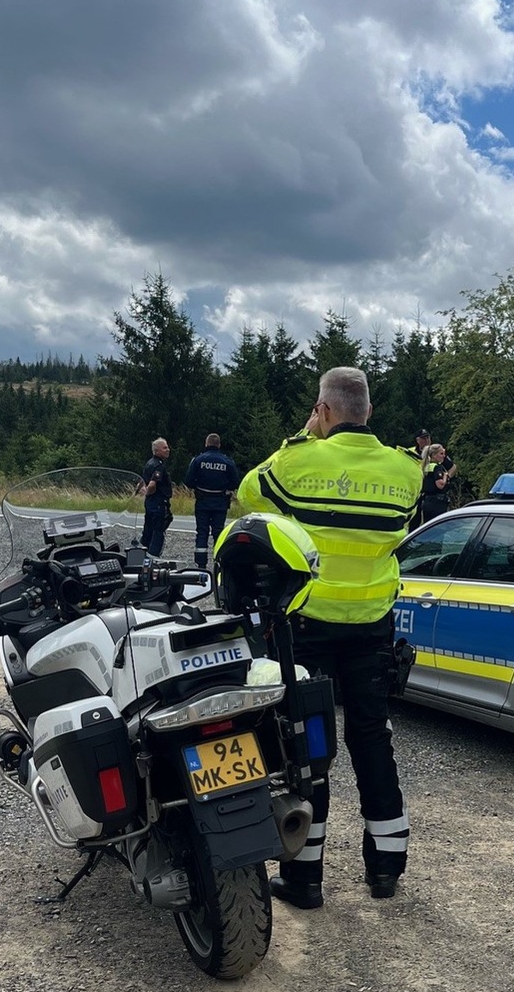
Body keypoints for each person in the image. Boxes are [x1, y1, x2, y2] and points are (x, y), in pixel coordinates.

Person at [238, 367, 423, 907]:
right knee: (372, 738)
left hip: (307, 628)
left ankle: (305, 878)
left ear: (322, 411)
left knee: (307, 747)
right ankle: (386, 868)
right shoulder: (405, 470)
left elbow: (250, 495)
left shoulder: (296, 460)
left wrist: (301, 438)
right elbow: (403, 523)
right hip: (372, 627)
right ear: (369, 411)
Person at [184, 433, 240, 569]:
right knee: (218, 532)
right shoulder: (227, 461)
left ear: (206, 444)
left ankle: (201, 564)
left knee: (202, 532)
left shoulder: (198, 460)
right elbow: (235, 482)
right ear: (219, 445)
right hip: (220, 502)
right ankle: (218, 562)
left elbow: (188, 481)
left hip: (202, 501)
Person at [137, 436, 173, 556]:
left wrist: (140, 491)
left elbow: (142, 481)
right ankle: (153, 557)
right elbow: (152, 484)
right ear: (157, 451)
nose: (168, 449)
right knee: (158, 531)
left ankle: (141, 553)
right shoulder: (159, 466)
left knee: (148, 529)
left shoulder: (149, 463)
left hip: (150, 503)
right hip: (158, 503)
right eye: (164, 448)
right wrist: (148, 491)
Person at [418, 443, 452, 525]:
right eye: (441, 453)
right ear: (433, 455)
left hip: (426, 501)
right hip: (437, 503)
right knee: (439, 528)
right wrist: (445, 476)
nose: (444, 456)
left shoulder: (425, 467)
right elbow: (440, 485)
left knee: (428, 527)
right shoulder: (437, 467)